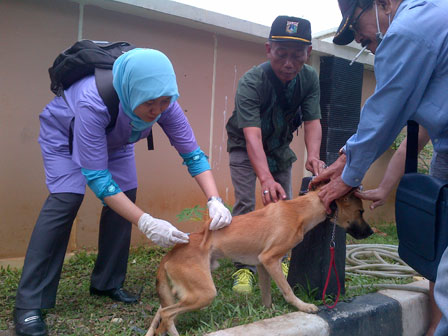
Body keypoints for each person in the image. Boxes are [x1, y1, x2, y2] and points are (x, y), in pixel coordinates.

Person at [13, 48, 232, 336]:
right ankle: (29, 303)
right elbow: (99, 180)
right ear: (130, 92)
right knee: (66, 200)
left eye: (165, 101)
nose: (158, 111)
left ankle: (107, 282)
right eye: (150, 103)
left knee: (125, 195)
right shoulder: (93, 102)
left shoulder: (166, 104)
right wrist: (146, 222)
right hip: (64, 139)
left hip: (117, 140)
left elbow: (192, 154)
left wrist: (214, 199)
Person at [311, 0, 447, 335]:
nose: (358, 39)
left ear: (383, 3)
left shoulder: (407, 31)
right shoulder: (434, 17)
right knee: (438, 249)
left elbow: (385, 111)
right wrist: (352, 166)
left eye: (357, 27)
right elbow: (416, 124)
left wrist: (348, 173)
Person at [225, 15, 325, 294]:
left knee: (285, 209)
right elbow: (251, 135)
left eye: (297, 55)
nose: (289, 63)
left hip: (279, 148)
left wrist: (313, 156)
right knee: (245, 206)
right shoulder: (252, 82)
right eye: (281, 54)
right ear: (269, 49)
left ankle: (277, 259)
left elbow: (313, 121)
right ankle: (242, 267)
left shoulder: (309, 79)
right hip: (245, 147)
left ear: (308, 53)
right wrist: (266, 178)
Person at [356, 126, 443, 336]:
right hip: (444, 173)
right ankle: (435, 327)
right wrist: (385, 187)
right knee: (439, 254)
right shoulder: (439, 96)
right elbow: (415, 139)